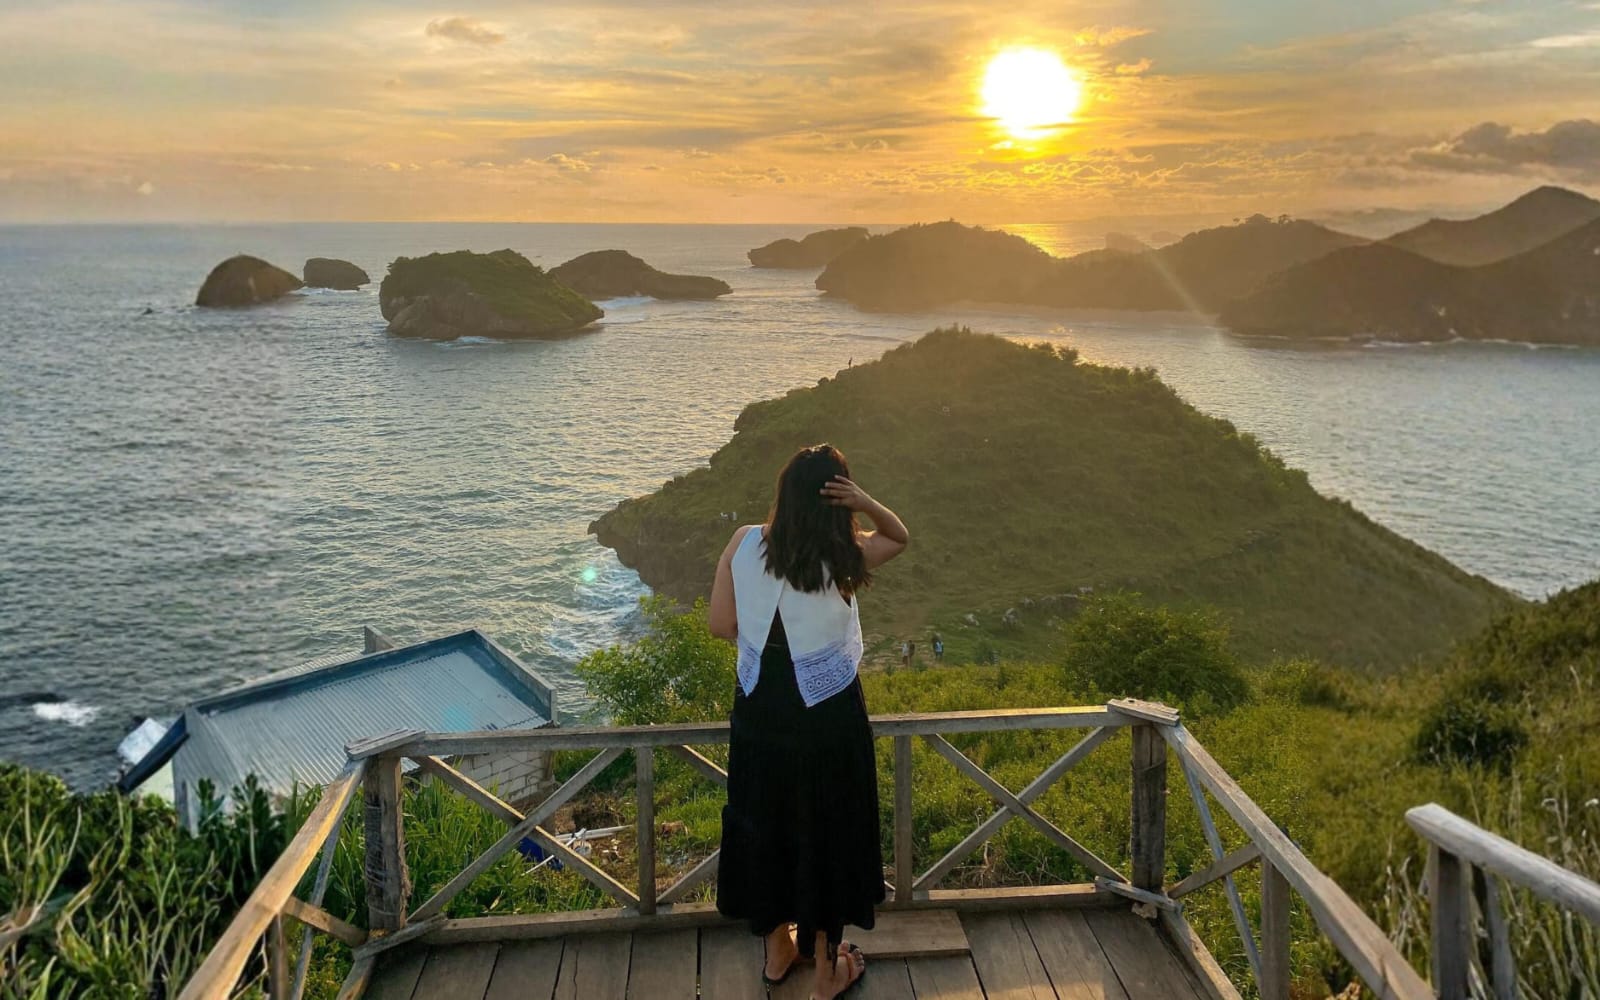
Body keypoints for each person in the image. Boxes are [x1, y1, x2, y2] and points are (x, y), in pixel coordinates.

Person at [708, 443, 909, 1000]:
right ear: (836, 500)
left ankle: (778, 955)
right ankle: (825, 975)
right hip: (827, 714)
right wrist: (865, 502)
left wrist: (766, 626)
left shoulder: (742, 543)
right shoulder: (843, 556)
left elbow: (721, 625)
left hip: (760, 707)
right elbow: (898, 537)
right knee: (829, 830)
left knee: (764, 824)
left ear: (784, 493)